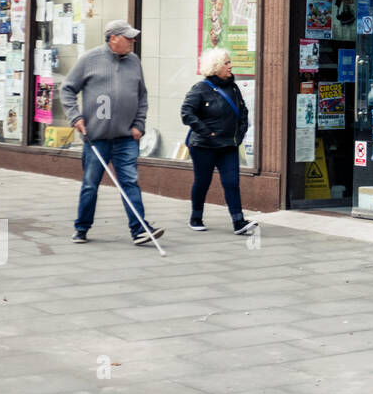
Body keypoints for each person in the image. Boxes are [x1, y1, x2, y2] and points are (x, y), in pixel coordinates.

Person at [61, 20, 164, 246]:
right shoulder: (90, 59)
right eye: (128, 38)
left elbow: (142, 96)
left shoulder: (134, 61)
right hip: (96, 138)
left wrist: (139, 124)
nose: (132, 41)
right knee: (90, 184)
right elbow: (67, 88)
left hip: (126, 137)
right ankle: (82, 227)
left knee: (130, 182)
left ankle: (139, 229)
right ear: (113, 38)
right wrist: (75, 117)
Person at [181, 47, 257, 235]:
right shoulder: (200, 89)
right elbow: (186, 113)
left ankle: (238, 222)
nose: (231, 66)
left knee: (232, 182)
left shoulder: (232, 87)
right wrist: (207, 132)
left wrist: (239, 134)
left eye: (230, 62)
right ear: (216, 67)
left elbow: (243, 111)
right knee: (202, 182)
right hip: (204, 146)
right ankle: (196, 217)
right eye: (227, 63)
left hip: (228, 146)